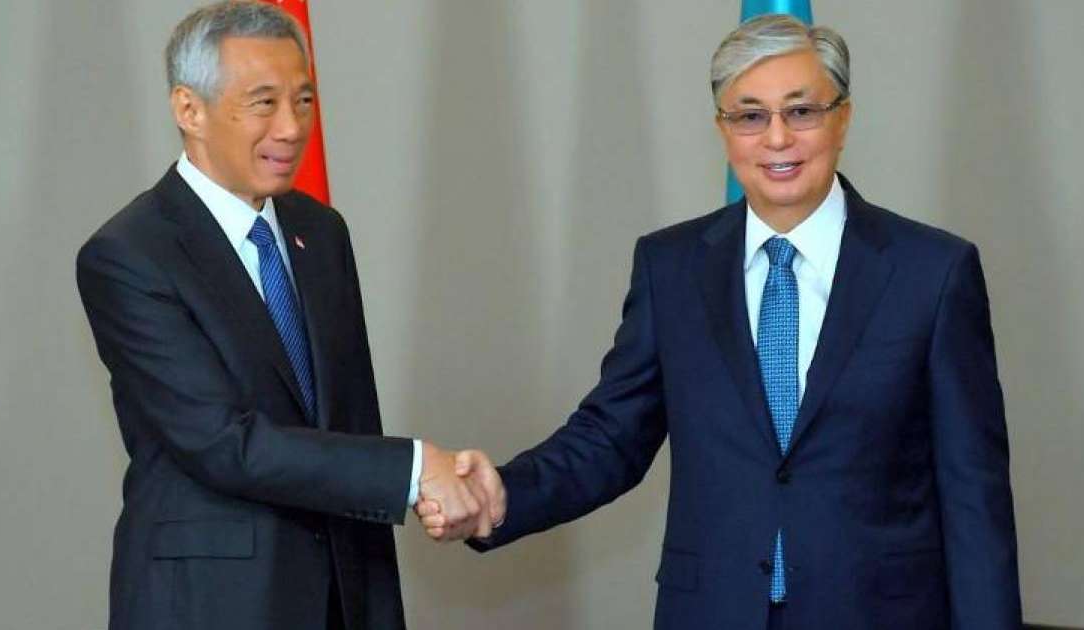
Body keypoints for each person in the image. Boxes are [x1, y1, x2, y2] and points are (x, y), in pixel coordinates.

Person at [420, 14, 1021, 630]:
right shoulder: (671, 268)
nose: (777, 138)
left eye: (802, 111)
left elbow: (974, 496)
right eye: (750, 116)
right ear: (723, 129)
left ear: (842, 118)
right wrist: (502, 496)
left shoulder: (932, 273)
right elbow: (610, 438)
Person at [76, 3, 501, 628]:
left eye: (303, 101)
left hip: (343, 593)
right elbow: (224, 444)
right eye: (264, 103)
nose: (292, 127)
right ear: (189, 109)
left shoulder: (320, 231)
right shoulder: (130, 254)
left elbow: (349, 421)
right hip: (214, 604)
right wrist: (416, 472)